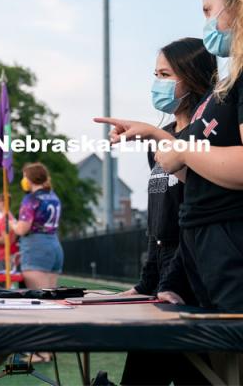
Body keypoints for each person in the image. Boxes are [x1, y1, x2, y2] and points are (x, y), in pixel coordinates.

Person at [110, 38, 217, 386]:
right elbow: (158, 228)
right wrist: (146, 283)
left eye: (166, 74)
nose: (158, 82)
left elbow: (195, 221)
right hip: (165, 285)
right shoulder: (160, 142)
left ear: (193, 76)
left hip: (194, 283)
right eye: (155, 74)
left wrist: (173, 283)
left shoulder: (205, 140)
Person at [154, 0, 243, 314]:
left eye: (209, 10)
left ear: (236, 6)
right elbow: (209, 169)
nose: (205, 21)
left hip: (229, 243)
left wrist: (186, 151)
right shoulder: (230, 83)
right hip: (204, 244)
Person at [11, 162, 63, 363]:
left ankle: (41, 352)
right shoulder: (53, 196)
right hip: (54, 246)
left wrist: (12, 224)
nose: (23, 180)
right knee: (50, 301)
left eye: (24, 176)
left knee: (39, 303)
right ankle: (49, 348)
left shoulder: (31, 199)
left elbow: (23, 229)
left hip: (36, 248)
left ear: (30, 179)